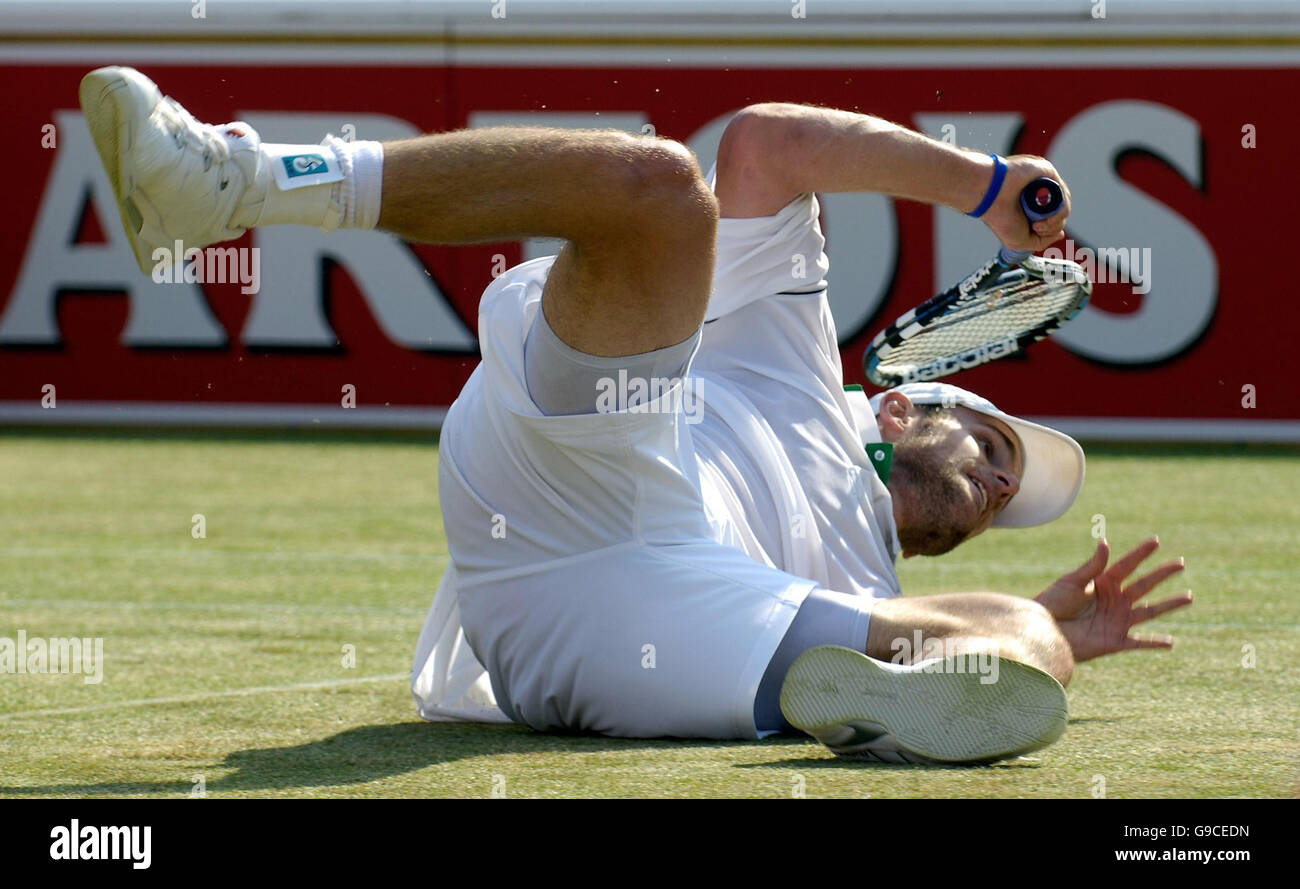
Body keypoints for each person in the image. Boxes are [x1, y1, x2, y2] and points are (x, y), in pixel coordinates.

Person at [79, 67, 1193, 763]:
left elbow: (988, 625)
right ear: (896, 406)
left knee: (1009, 632)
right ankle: (231, 181)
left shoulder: (874, 577)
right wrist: (985, 187)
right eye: (996, 447)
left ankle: (911, 694)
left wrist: (1045, 637)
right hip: (575, 462)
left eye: (1010, 500)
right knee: (657, 186)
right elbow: (768, 143)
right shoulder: (803, 370)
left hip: (660, 612)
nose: (1002, 488)